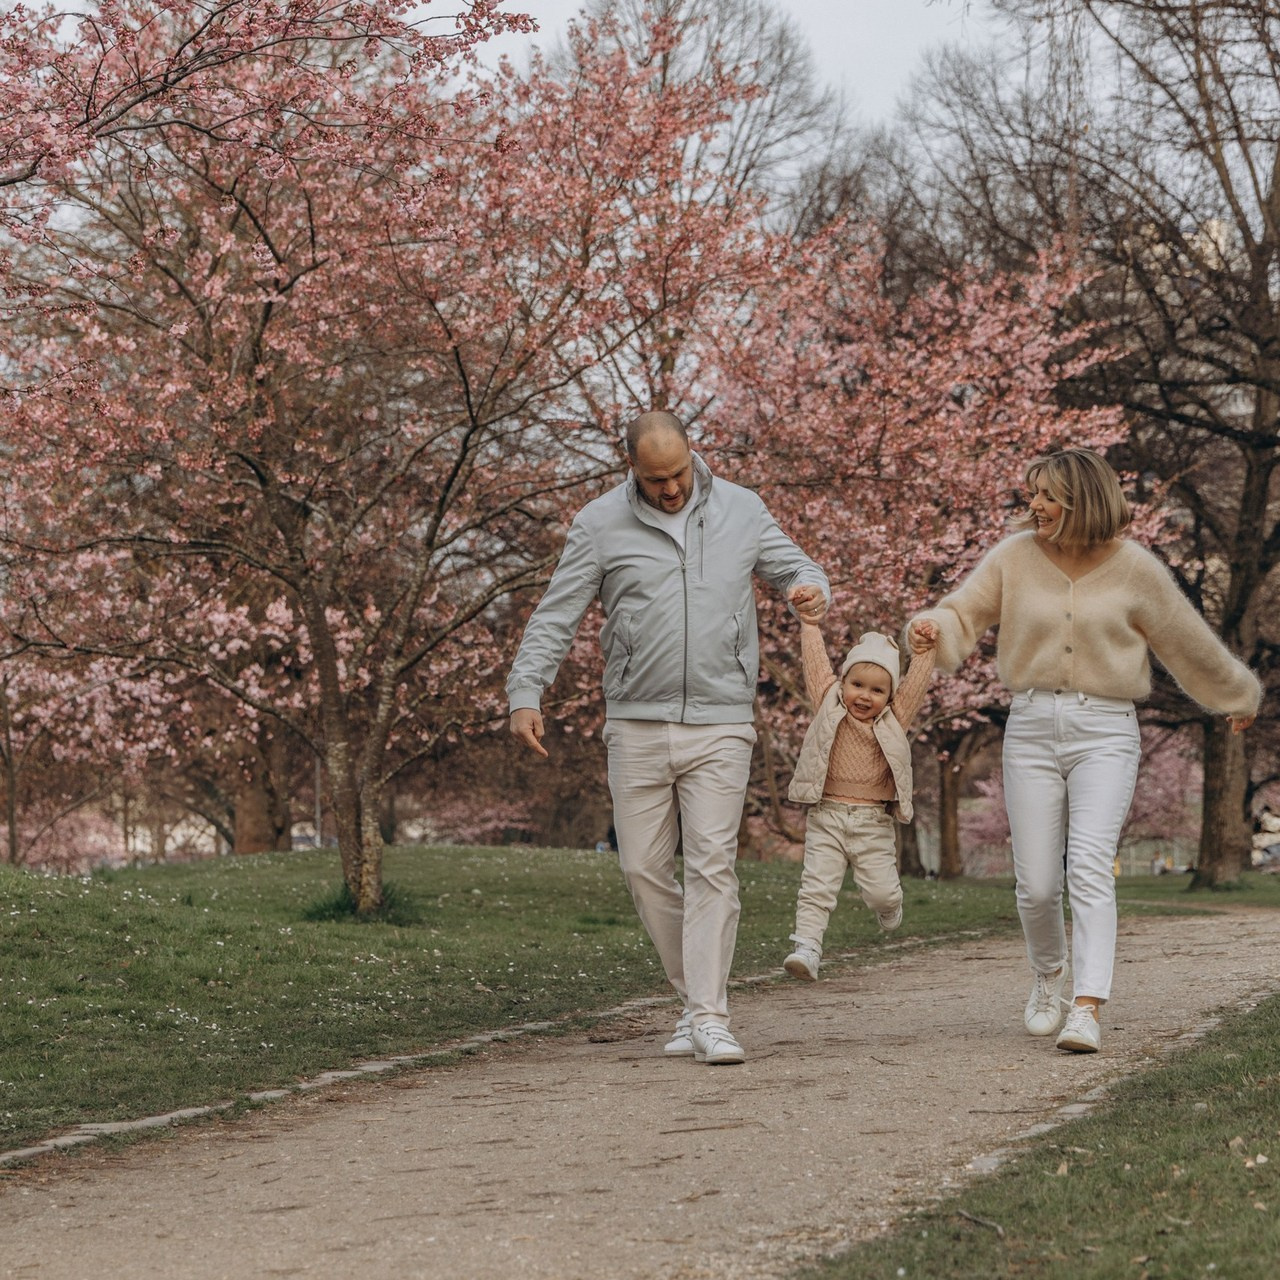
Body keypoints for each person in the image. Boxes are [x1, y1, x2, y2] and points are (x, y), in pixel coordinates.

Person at [906, 447, 1261, 1054]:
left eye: (1046, 495)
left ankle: (1088, 1004)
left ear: (1082, 500)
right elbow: (964, 611)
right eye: (1032, 495)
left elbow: (1185, 640)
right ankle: (1049, 975)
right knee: (1038, 885)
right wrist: (933, 627)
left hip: (1106, 730)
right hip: (1031, 726)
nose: (1034, 506)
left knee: (1090, 867)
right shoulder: (1013, 557)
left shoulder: (1135, 570)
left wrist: (1237, 694)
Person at [507, 410, 830, 1065]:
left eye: (678, 473)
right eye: (656, 480)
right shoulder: (599, 524)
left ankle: (710, 1016)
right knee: (641, 867)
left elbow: (797, 567)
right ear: (631, 467)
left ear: (693, 456)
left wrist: (808, 589)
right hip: (636, 722)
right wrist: (524, 692)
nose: (671, 489)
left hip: (721, 721)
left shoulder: (742, 508)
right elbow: (556, 614)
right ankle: (696, 1000)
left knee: (713, 866)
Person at [782, 620, 937, 981]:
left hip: (872, 823)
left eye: (877, 690)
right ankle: (807, 947)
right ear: (843, 683)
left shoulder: (895, 719)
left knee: (881, 894)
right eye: (856, 685)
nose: (865, 696)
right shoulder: (827, 703)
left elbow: (915, 685)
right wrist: (808, 624)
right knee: (816, 887)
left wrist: (926, 651)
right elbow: (816, 662)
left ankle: (890, 906)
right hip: (827, 817)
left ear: (890, 695)